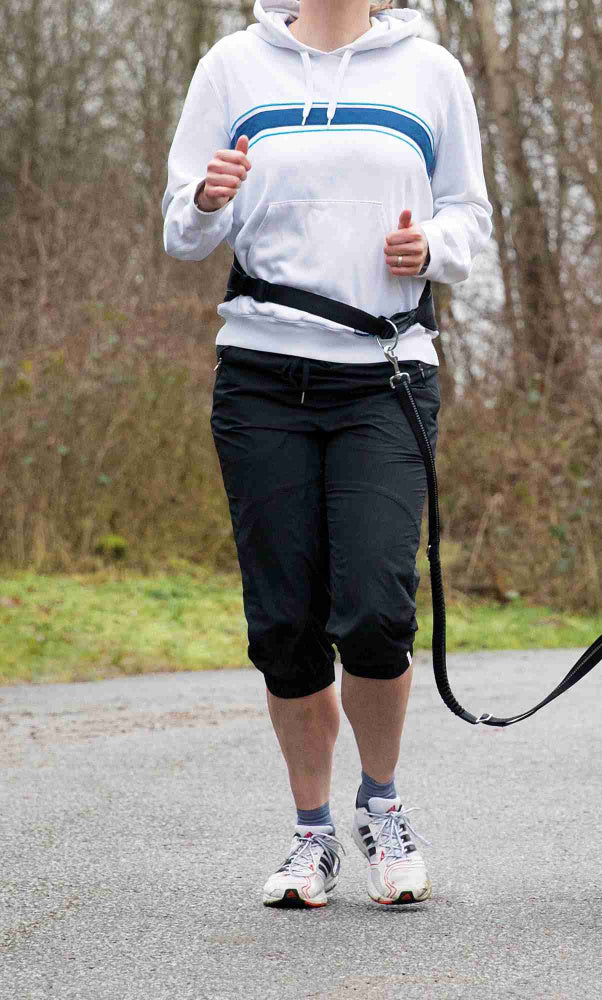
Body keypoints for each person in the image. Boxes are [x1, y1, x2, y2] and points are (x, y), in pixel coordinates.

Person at [161, 0, 492, 907]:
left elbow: (470, 219)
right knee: (284, 624)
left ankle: (381, 807)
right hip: (262, 375)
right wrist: (206, 198)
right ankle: (312, 838)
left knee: (377, 612)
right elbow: (180, 228)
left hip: (383, 377)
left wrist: (431, 244)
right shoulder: (234, 65)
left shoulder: (431, 71)